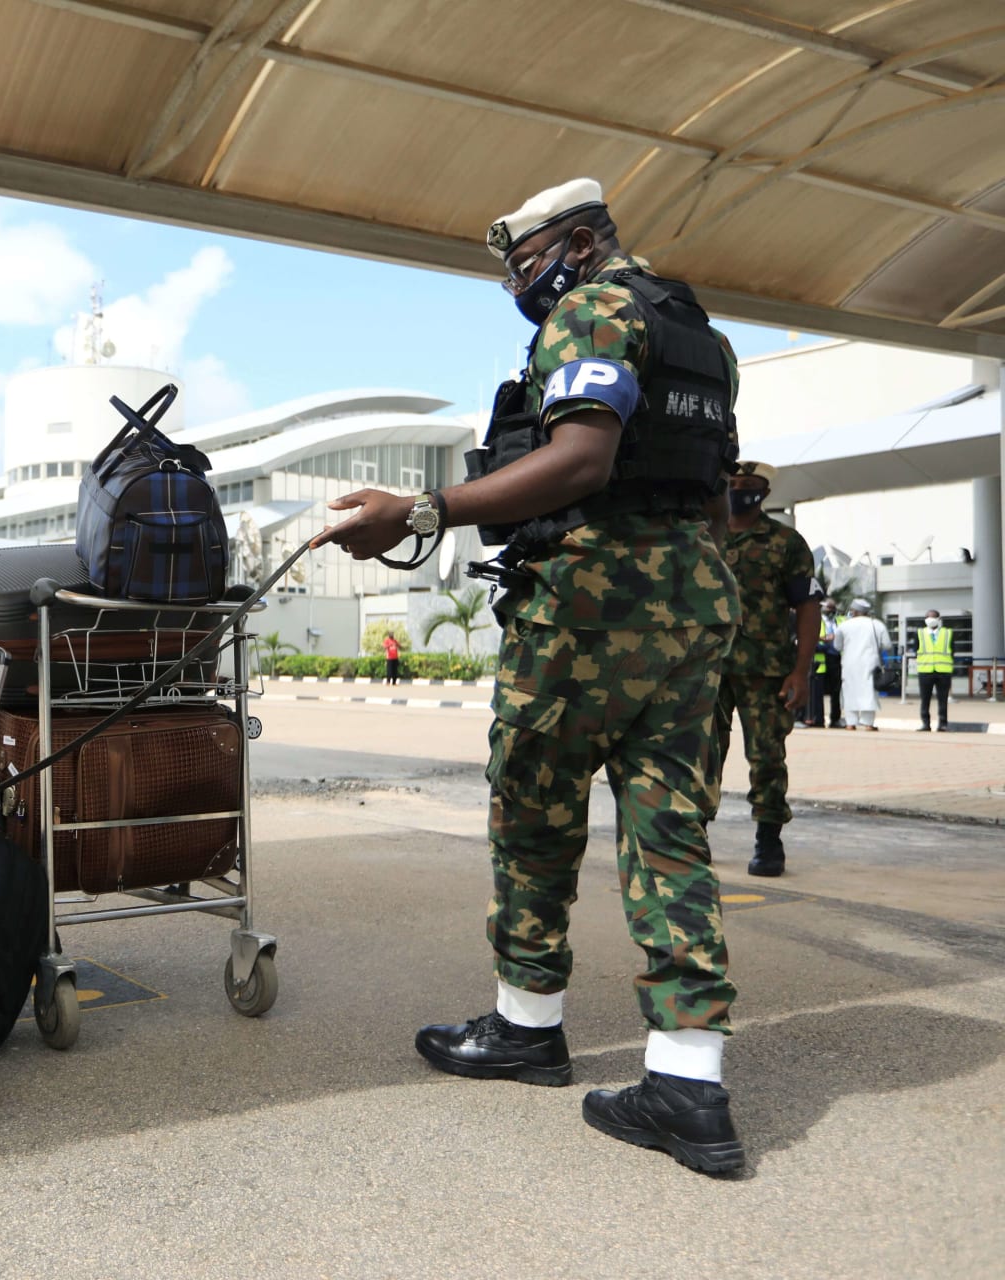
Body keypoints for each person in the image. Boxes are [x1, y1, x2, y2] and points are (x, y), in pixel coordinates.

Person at [319, 178, 745, 1174]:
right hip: (695, 601)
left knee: (534, 816)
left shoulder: (592, 312)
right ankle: (689, 1080)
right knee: (670, 832)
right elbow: (714, 488)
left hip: (592, 605)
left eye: (528, 256)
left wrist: (418, 513)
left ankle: (526, 1026)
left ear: (587, 240)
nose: (522, 278)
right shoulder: (706, 339)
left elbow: (582, 460)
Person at [711, 461, 820, 878]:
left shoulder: (786, 542)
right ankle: (693, 832)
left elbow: (807, 607)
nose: (739, 491)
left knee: (767, 756)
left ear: (764, 493)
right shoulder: (704, 536)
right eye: (732, 484)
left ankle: (768, 840)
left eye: (748, 486)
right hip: (708, 668)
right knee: (700, 755)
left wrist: (801, 671)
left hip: (766, 670)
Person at [835, 599, 890, 730]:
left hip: (849, 664)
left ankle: (850, 723)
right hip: (870, 663)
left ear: (853, 611)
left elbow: (837, 646)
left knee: (849, 691)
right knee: (869, 691)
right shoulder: (877, 624)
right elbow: (887, 645)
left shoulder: (844, 625)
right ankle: (868, 723)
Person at [915, 609, 954, 731]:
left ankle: (943, 724)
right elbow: (915, 649)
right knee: (925, 699)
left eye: (933, 617)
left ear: (939, 619)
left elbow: (953, 650)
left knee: (943, 700)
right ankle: (925, 724)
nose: (930, 620)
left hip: (943, 671)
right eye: (928, 617)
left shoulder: (948, 633)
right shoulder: (919, 633)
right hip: (925, 671)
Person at [809, 599, 843, 728]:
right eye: (827, 607)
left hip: (836, 659)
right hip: (820, 661)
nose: (830, 610)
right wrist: (825, 641)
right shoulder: (816, 620)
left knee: (836, 692)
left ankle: (835, 719)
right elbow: (812, 639)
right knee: (818, 692)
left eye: (832, 608)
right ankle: (818, 719)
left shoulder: (840, 621)